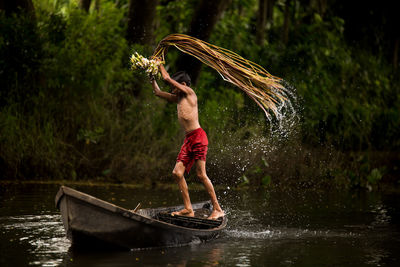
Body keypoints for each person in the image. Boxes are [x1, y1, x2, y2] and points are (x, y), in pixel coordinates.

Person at [150, 62, 224, 220]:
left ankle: (217, 208)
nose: (172, 90)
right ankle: (188, 209)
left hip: (198, 137)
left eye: (175, 87)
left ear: (182, 84)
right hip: (189, 139)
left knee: (201, 175)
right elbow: (157, 92)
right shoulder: (178, 98)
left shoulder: (190, 93)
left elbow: (167, 78)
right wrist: (151, 76)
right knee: (177, 173)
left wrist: (158, 64)